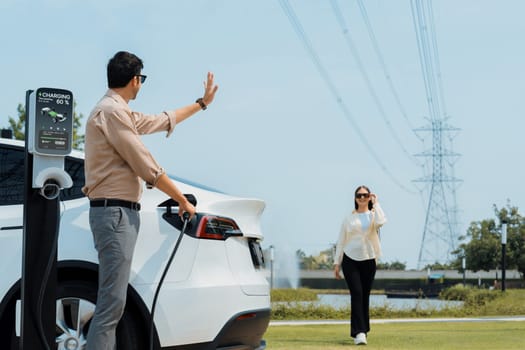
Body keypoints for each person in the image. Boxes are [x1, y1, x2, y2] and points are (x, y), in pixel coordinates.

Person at [82, 51, 218, 350]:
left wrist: (201, 104)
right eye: (141, 79)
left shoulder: (118, 112)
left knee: (113, 303)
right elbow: (145, 165)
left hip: (118, 213)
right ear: (135, 80)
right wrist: (181, 198)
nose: (140, 84)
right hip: (114, 213)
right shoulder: (112, 112)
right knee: (111, 303)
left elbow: (161, 120)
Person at [333, 185, 386, 346]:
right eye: (359, 195)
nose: (362, 198)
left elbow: (382, 222)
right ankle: (359, 333)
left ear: (370, 197)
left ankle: (364, 329)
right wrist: (337, 263)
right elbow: (341, 241)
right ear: (355, 198)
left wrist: (376, 204)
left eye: (365, 195)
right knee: (356, 294)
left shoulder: (373, 215)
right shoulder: (349, 218)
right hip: (350, 259)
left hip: (369, 259)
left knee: (365, 296)